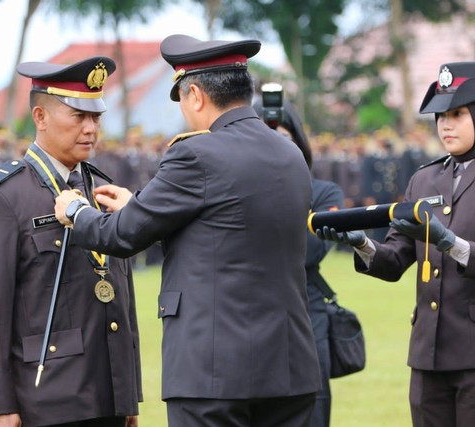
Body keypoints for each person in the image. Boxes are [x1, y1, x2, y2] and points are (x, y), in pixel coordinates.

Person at [55, 34, 321, 427]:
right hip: (288, 367)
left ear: (195, 94)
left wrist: (77, 211)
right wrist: (139, 206)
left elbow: (121, 236)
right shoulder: (289, 153)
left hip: (213, 372)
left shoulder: (196, 152)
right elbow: (228, 228)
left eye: (182, 101)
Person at [0, 56, 142, 427]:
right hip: (47, 399)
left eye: (96, 117)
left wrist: (128, 395)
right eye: (78, 117)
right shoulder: (4, 196)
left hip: (107, 393)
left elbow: (122, 295)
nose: (91, 128)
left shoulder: (103, 188)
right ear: (40, 118)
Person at [316, 61, 475, 427]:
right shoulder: (424, 180)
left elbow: (451, 246)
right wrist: (363, 245)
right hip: (429, 354)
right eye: (440, 116)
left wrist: (451, 243)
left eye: (458, 113)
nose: (446, 124)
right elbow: (396, 259)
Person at [253, 98, 344, 427]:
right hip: (250, 322)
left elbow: (308, 251)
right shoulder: (233, 189)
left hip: (306, 318)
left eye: (283, 136)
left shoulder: (322, 192)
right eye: (264, 136)